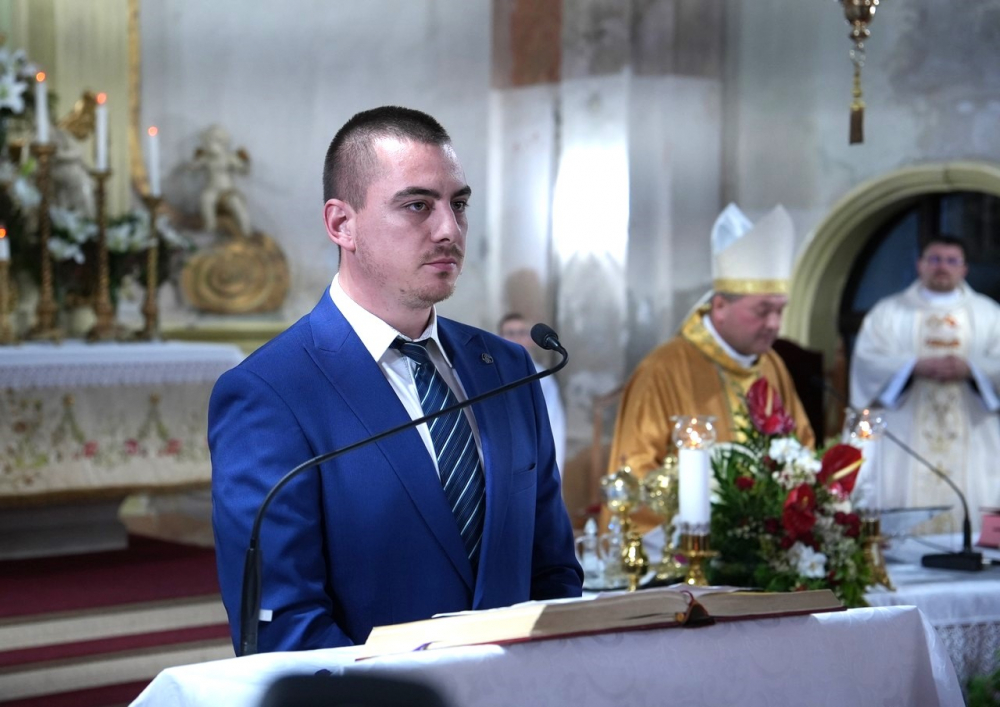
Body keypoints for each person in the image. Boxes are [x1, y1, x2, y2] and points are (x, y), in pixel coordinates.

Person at [209, 106, 582, 654]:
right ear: (342, 224)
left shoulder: (506, 368)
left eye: (458, 204)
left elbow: (552, 572)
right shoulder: (270, 392)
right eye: (417, 206)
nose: (449, 229)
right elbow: (286, 626)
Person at [608, 204, 815, 533]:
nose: (774, 324)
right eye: (762, 310)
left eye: (780, 311)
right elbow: (635, 471)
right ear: (720, 306)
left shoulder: (772, 365)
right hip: (688, 546)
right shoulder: (663, 370)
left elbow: (802, 447)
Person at [850, 235, 1000, 533]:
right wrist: (911, 366)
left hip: (972, 426)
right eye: (934, 259)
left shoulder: (989, 313)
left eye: (951, 261)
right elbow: (867, 361)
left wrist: (972, 369)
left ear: (964, 268)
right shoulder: (888, 312)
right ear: (920, 265)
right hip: (904, 427)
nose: (942, 267)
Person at [498, 312, 567, 475]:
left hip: (531, 460)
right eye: (510, 333)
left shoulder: (543, 378)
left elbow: (554, 426)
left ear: (531, 339)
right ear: (499, 337)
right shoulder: (486, 373)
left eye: (521, 333)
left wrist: (553, 472)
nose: (516, 338)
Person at [193, 124, 252, 235]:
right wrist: (196, 158)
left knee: (237, 204)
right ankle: (210, 227)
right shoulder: (207, 158)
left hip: (227, 190)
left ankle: (247, 232)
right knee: (205, 199)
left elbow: (244, 171)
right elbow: (193, 167)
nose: (209, 145)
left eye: (212, 141)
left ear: (222, 143)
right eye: (207, 142)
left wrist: (246, 161)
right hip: (212, 189)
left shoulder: (229, 157)